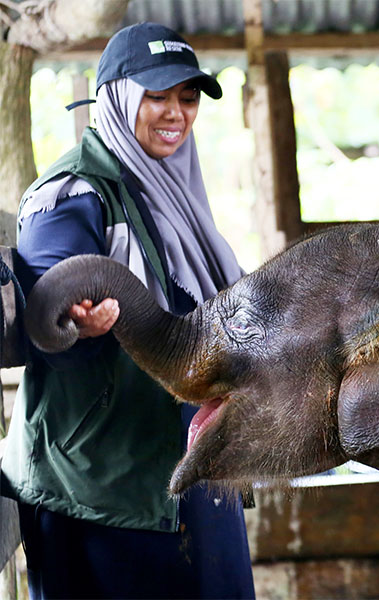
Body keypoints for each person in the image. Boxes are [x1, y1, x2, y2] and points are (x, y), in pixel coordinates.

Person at [0, 23, 255, 599]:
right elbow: (46, 325)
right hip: (100, 491)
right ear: (116, 97)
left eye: (187, 98)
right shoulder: (72, 195)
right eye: (157, 96)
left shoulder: (176, 190)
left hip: (187, 473)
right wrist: (81, 331)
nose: (176, 114)